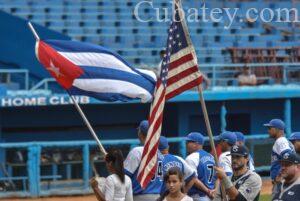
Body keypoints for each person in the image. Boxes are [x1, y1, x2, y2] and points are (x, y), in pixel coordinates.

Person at [124, 120, 163, 201]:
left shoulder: (137, 151)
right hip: (158, 197)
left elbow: (124, 175)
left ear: (140, 133)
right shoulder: (159, 153)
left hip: (140, 197)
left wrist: (112, 163)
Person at [263, 118, 295, 194]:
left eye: (270, 128)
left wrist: (280, 175)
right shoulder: (285, 141)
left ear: (278, 129)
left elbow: (289, 156)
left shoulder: (281, 141)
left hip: (282, 182)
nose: (268, 130)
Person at [185, 132, 217, 201]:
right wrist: (215, 191)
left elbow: (193, 178)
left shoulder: (191, 157)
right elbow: (218, 177)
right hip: (211, 195)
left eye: (189, 142)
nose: (186, 144)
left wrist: (208, 191)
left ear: (196, 144)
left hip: (197, 196)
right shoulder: (211, 156)